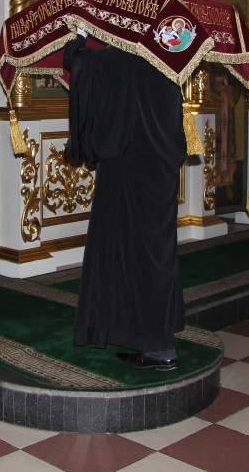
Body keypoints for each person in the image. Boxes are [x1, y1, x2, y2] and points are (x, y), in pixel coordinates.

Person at [63, 32, 188, 371]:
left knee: (132, 256)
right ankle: (152, 340)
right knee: (153, 255)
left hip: (128, 169)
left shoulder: (123, 58)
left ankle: (158, 347)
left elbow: (77, 62)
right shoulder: (168, 57)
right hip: (160, 171)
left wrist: (77, 39)